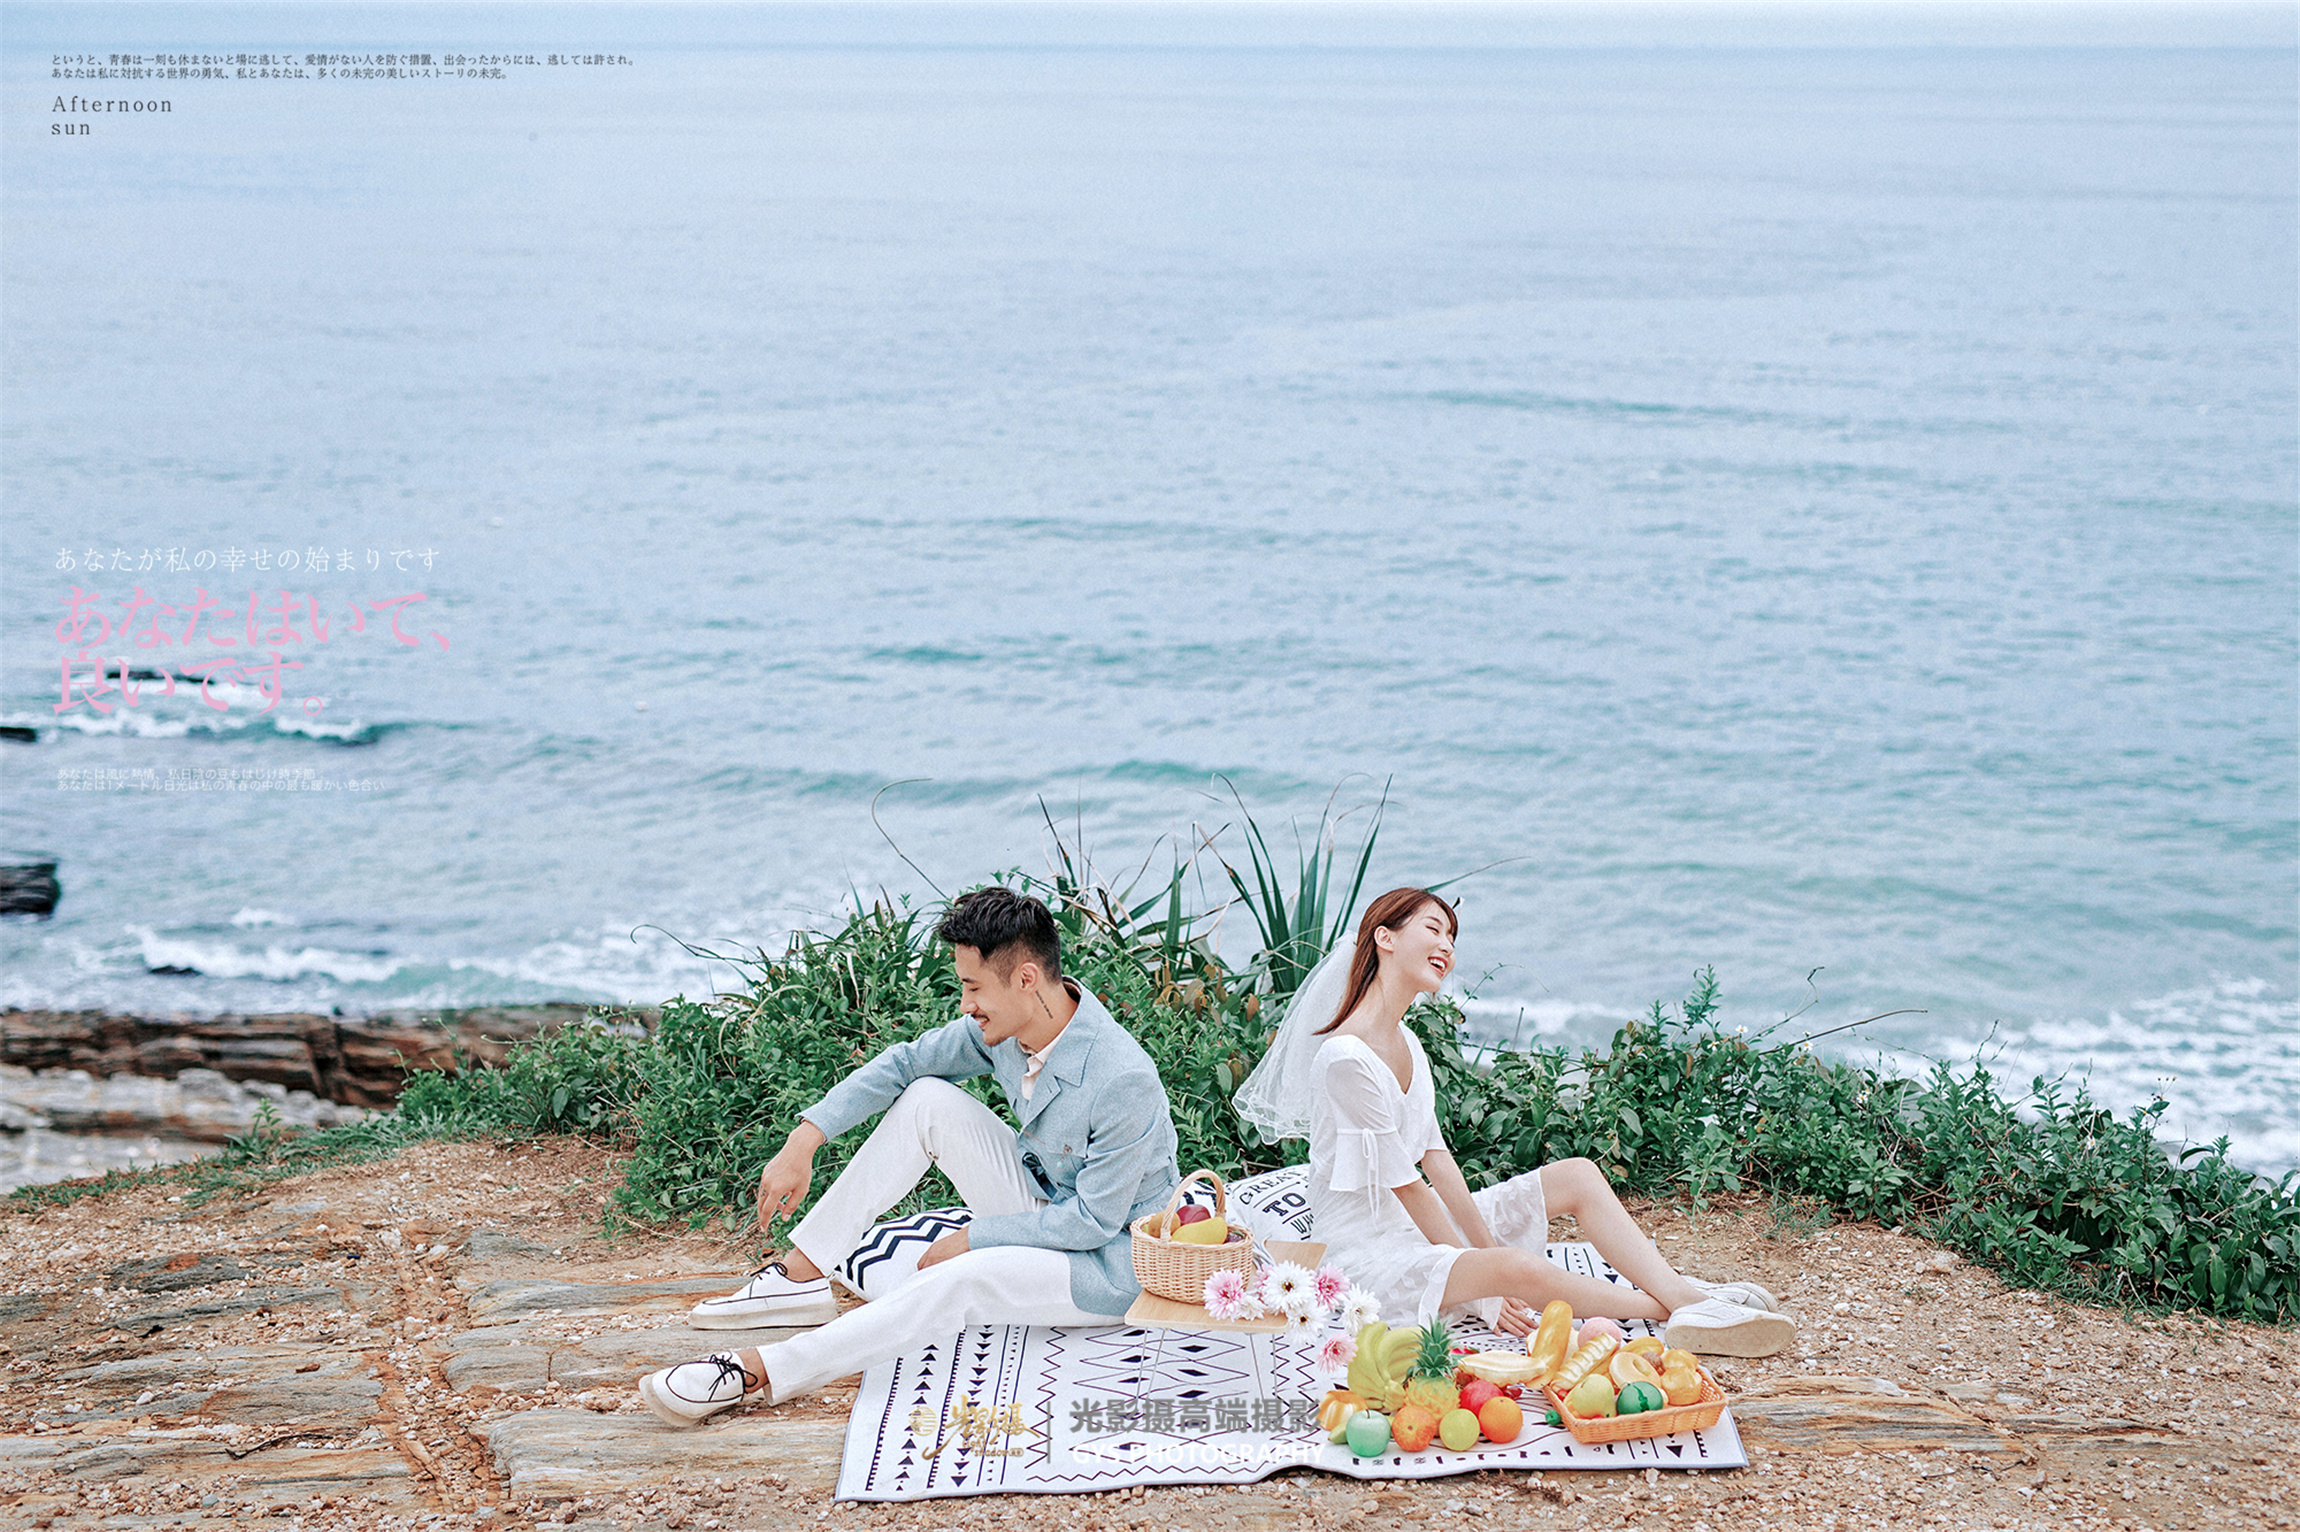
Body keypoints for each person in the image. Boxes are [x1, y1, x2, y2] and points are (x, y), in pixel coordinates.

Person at [636, 887, 1183, 1426]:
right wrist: (805, 1139)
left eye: (973, 987)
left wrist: (974, 1238)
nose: (966, 1005)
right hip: (1047, 1202)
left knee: (960, 1279)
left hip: (1109, 1261)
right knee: (926, 1098)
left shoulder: (1122, 1078)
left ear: (1025, 979)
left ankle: (759, 1371)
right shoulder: (1011, 1026)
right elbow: (904, 1064)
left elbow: (1092, 1222)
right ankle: (802, 1275)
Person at [1231, 887, 1796, 1356]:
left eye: (1452, 938)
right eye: (1433, 929)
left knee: (1577, 1176)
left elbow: (1438, 1162)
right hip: (1369, 1255)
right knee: (1515, 1269)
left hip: (1413, 1226)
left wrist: (1481, 1257)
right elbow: (1409, 1187)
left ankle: (1683, 1297)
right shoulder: (1345, 1059)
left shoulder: (1408, 1043)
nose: (1447, 947)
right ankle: (1685, 1306)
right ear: (1386, 937)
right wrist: (1487, 1283)